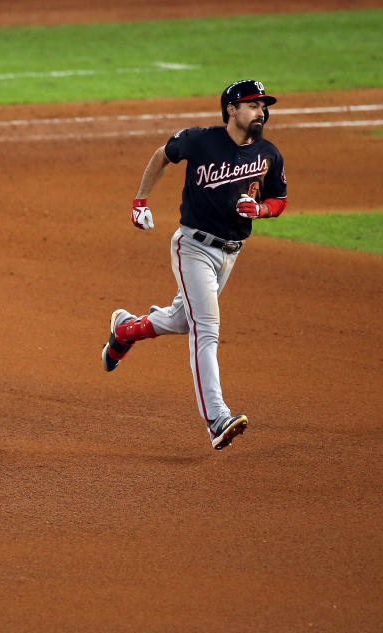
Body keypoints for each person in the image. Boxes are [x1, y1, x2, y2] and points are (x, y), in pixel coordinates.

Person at [101, 79, 287, 450]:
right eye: (252, 105)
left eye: (262, 106)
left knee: (184, 319)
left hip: (231, 253)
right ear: (231, 110)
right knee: (207, 328)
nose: (260, 112)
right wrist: (141, 201)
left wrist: (261, 209)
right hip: (194, 248)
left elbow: (279, 199)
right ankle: (216, 418)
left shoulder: (268, 154)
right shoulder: (200, 140)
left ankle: (125, 330)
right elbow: (162, 156)